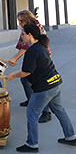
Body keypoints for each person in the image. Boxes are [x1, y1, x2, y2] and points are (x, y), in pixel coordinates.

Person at [7, 23, 76, 152]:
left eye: (23, 34)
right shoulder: (41, 46)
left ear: (30, 35)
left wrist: (12, 75)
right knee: (60, 111)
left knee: (32, 114)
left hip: (45, 88)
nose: (21, 37)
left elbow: (26, 72)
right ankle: (71, 137)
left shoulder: (32, 50)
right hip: (56, 83)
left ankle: (32, 144)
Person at [8, 10, 52, 123]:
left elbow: (25, 46)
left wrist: (14, 58)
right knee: (25, 80)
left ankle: (46, 111)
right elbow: (25, 44)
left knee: (38, 83)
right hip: (35, 53)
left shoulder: (33, 27)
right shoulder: (29, 26)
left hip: (40, 56)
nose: (19, 23)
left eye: (21, 20)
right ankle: (31, 99)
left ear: (27, 19)